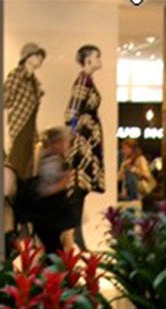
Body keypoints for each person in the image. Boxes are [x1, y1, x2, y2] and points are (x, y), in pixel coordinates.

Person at [65, 44, 104, 250]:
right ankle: (74, 236)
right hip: (83, 143)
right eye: (97, 57)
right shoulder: (83, 81)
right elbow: (72, 112)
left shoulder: (87, 81)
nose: (99, 60)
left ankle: (77, 236)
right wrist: (75, 137)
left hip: (87, 140)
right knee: (78, 189)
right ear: (88, 59)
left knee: (81, 190)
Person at [3, 43, 46, 181]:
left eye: (41, 56)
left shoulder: (34, 83)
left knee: (27, 166)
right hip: (19, 125)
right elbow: (4, 99)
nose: (40, 59)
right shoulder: (16, 75)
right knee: (17, 163)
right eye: (37, 55)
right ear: (27, 57)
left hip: (30, 128)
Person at [30, 127, 75, 255]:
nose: (66, 146)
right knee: (53, 248)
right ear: (57, 143)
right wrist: (63, 182)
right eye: (64, 142)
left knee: (53, 246)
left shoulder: (52, 158)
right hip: (48, 212)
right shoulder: (49, 161)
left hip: (49, 212)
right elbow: (45, 190)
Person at [118, 138, 155, 204]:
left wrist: (136, 171)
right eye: (123, 149)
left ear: (132, 149)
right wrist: (123, 167)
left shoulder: (140, 159)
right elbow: (119, 178)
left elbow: (148, 176)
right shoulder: (125, 160)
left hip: (138, 191)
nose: (123, 151)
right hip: (127, 193)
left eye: (125, 148)